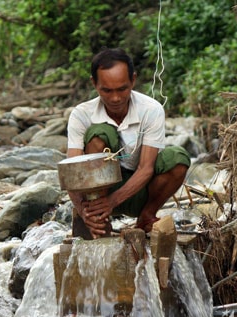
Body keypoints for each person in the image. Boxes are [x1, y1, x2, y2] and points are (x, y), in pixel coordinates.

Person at [66, 47, 191, 239]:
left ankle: (146, 215)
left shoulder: (151, 110)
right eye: (106, 90)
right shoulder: (81, 114)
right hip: (96, 199)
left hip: (139, 190)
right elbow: (72, 173)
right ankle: (98, 220)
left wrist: (112, 201)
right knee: (99, 134)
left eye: (122, 89)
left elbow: (146, 168)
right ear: (94, 84)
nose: (115, 98)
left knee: (178, 157)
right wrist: (84, 211)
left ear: (133, 80)